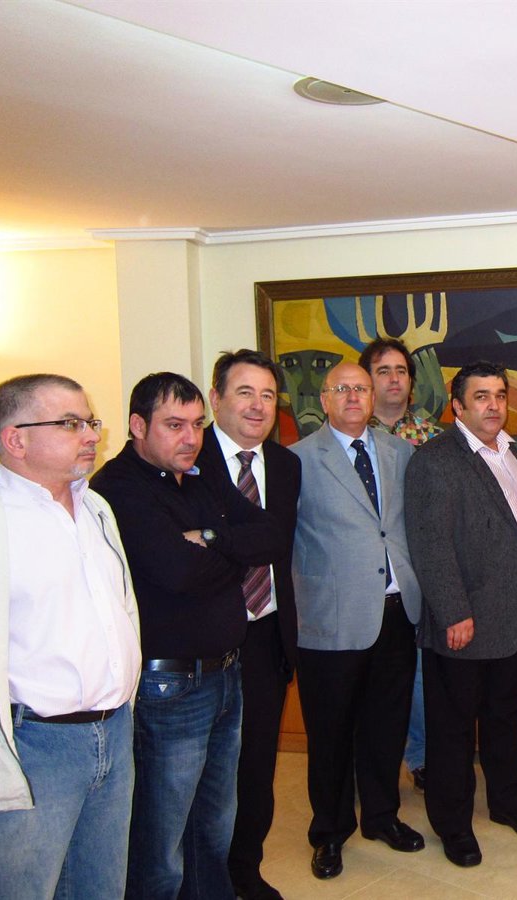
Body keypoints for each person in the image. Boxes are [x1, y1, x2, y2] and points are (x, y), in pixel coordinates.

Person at [90, 372, 286, 898]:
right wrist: (232, 551)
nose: (191, 438)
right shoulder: (119, 488)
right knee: (161, 843)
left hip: (225, 673)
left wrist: (210, 537)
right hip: (170, 687)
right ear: (137, 426)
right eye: (174, 425)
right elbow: (179, 572)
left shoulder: (195, 477)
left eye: (197, 425)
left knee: (213, 828)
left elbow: (271, 535)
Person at [0, 375, 140, 899]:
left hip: (113, 733)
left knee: (101, 887)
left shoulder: (96, 508)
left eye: (90, 421)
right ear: (16, 439)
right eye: (71, 423)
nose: (92, 434)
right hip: (33, 746)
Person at [405, 360, 517, 867]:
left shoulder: (510, 452)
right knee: (452, 729)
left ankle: (507, 803)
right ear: (457, 406)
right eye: (481, 397)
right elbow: (430, 544)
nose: (494, 406)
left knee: (504, 717)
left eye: (499, 395)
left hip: (516, 611)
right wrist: (453, 612)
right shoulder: (436, 460)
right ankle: (452, 824)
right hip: (465, 621)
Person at [290, 361, 424, 880]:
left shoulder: (399, 453)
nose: (352, 397)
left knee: (386, 725)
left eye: (361, 389)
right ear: (324, 399)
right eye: (341, 389)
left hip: (395, 613)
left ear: (372, 398)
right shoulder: (299, 459)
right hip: (332, 618)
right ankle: (329, 832)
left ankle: (382, 816)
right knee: (331, 734)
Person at [196, 350, 301, 900]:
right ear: (216, 398)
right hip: (204, 640)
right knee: (203, 771)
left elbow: (276, 543)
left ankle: (245, 870)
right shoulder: (189, 459)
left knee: (257, 764)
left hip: (267, 633)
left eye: (267, 395)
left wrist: (216, 539)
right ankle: (202, 878)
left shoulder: (285, 466)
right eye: (244, 393)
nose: (258, 406)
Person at [360, 336, 443, 792]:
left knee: (420, 679)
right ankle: (372, 768)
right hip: (362, 585)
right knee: (368, 684)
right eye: (383, 371)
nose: (394, 379)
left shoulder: (434, 439)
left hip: (417, 578)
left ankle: (422, 757)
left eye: (401, 371)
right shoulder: (349, 437)